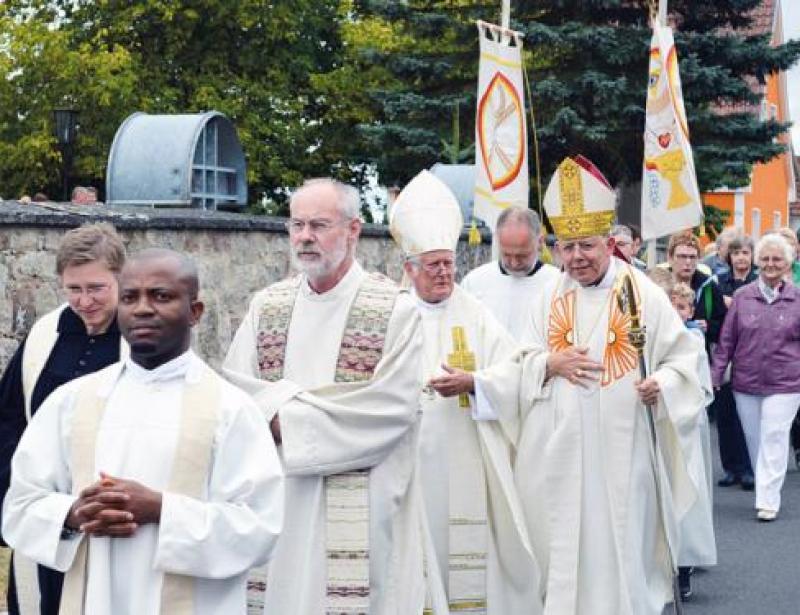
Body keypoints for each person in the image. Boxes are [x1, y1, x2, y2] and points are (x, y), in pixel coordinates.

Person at [476, 156, 704, 615]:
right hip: (557, 450)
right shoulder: (549, 295)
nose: (576, 257)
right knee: (562, 548)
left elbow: (685, 361)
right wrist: (549, 362)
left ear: (609, 243)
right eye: (567, 247)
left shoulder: (642, 293)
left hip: (626, 451)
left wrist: (660, 383)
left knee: (621, 544)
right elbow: (519, 361)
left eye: (587, 245)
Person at [2, 248, 284, 614]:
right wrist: (74, 512)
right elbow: (21, 503)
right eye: (130, 297)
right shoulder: (71, 401)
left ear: (195, 312)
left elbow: (259, 527)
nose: (142, 309)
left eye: (161, 296)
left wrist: (161, 509)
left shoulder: (231, 410)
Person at [223, 178, 425, 614]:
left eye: (318, 225)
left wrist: (284, 418)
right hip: (279, 494)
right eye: (296, 225)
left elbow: (391, 408)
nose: (304, 237)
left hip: (362, 501)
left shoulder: (395, 310)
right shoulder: (267, 306)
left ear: (353, 230)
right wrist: (301, 413)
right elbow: (235, 393)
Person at [389, 171, 541, 614]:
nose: (444, 273)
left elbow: (513, 370)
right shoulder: (392, 316)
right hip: (409, 459)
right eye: (433, 265)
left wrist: (474, 383)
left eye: (448, 264)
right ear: (410, 269)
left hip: (465, 456)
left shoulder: (474, 313)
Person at [0, 223, 127, 615]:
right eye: (74, 289)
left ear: (120, 279)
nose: (84, 301)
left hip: (109, 504)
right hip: (45, 509)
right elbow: (9, 415)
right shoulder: (45, 333)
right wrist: (15, 482)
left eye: (96, 288)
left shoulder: (141, 338)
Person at [711, 234, 800, 522]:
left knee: (774, 436)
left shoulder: (797, 298)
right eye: (765, 258)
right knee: (755, 440)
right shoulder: (742, 296)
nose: (771, 264)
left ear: (788, 263)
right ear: (758, 261)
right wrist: (715, 374)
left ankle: (768, 499)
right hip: (746, 381)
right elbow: (727, 339)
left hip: (786, 383)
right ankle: (765, 488)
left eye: (777, 259)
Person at [667, 282, 717, 601]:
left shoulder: (694, 340)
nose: (676, 312)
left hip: (685, 425)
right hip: (655, 424)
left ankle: (684, 565)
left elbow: (701, 388)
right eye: (670, 306)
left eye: (682, 307)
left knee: (687, 493)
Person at [461, 206, 559, 339]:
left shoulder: (557, 283)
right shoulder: (474, 282)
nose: (514, 263)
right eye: (506, 255)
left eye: (522, 256)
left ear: (540, 242)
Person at [713, 234, 756, 489]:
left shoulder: (758, 282)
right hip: (724, 352)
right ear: (729, 257)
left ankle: (749, 468)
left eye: (745, 253)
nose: (741, 257)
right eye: (736, 253)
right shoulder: (718, 283)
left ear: (752, 256)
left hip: (750, 354)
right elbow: (712, 316)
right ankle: (731, 468)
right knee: (725, 414)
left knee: (747, 416)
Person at [667, 231, 727, 355]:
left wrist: (708, 326)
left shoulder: (710, 287)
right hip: (664, 355)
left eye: (693, 257)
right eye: (682, 256)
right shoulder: (658, 284)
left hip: (698, 357)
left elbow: (724, 325)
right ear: (670, 258)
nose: (688, 262)